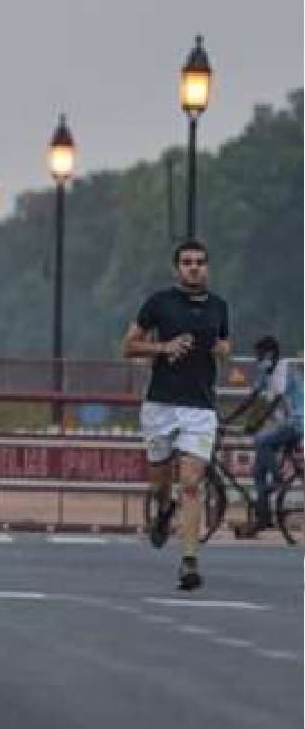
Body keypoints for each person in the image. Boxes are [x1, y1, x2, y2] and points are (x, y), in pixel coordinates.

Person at [121, 239, 230, 592]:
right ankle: (163, 509)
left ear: (207, 267)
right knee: (160, 483)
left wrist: (222, 349)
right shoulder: (159, 303)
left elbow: (225, 343)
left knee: (191, 484)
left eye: (200, 261)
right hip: (161, 404)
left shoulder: (219, 307)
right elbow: (128, 345)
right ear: (177, 268)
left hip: (199, 407)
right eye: (187, 262)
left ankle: (189, 561)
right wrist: (163, 347)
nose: (194, 267)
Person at [231, 336, 302, 537]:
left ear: (270, 355)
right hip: (285, 423)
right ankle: (263, 517)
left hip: (297, 422)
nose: (257, 360)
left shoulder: (283, 368)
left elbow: (273, 400)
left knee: (261, 441)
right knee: (258, 472)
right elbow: (253, 398)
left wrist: (255, 423)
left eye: (260, 355)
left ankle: (279, 478)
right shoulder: (265, 372)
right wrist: (230, 418)